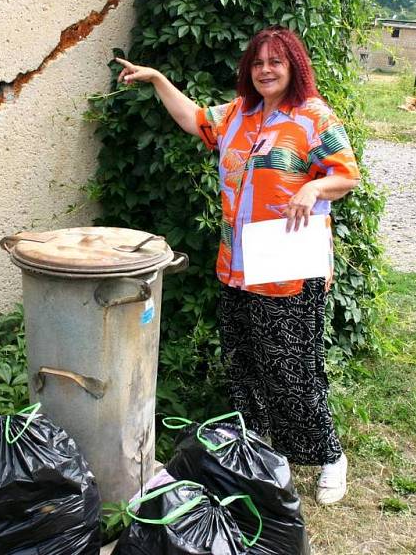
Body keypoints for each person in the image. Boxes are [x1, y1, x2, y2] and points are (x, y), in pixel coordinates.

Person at [115, 26, 360, 505]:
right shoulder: (238, 115)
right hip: (238, 265)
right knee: (245, 365)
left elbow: (345, 174)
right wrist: (159, 79)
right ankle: (272, 452)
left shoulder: (312, 117)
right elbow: (193, 119)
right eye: (258, 63)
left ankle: (330, 457)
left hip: (288, 267)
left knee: (292, 370)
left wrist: (311, 188)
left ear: (294, 66)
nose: (266, 70)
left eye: (276, 62)